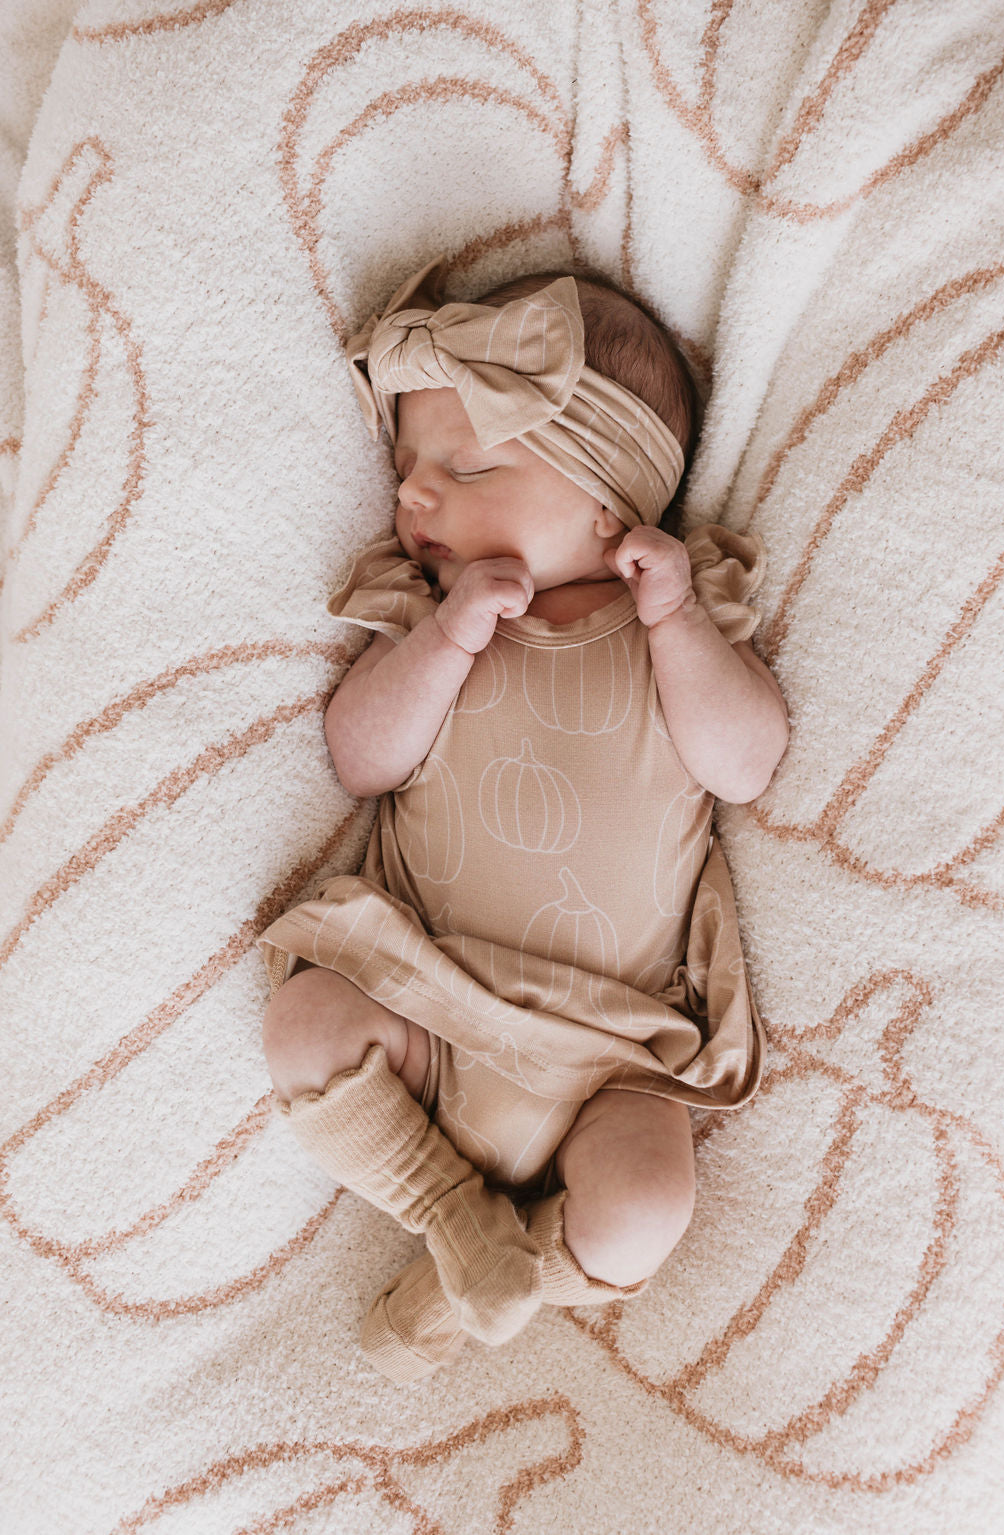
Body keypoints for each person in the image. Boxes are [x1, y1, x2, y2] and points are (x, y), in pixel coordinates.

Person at [258, 256, 789, 1382]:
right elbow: (359, 757)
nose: (413, 495)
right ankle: (448, 1211)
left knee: (648, 1200)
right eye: (407, 469)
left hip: (613, 1060)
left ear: (608, 506)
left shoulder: (677, 621)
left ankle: (495, 1274)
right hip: (428, 1004)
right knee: (304, 1020)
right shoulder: (420, 619)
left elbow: (745, 766)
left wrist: (680, 620)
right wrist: (444, 641)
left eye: (464, 464)